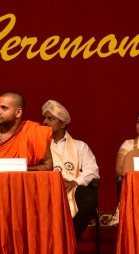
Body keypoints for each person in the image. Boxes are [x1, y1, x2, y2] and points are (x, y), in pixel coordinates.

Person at [41, 100, 99, 240]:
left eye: (50, 119)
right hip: (46, 188)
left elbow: (92, 170)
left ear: (63, 124)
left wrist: (74, 182)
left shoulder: (80, 146)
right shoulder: (38, 145)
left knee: (89, 200)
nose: (45, 122)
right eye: (44, 118)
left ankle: (69, 240)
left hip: (72, 188)